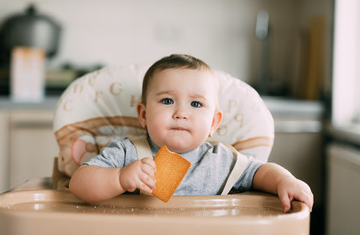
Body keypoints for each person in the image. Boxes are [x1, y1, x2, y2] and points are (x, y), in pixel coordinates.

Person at [69, 54, 313, 212]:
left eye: (196, 104)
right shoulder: (127, 153)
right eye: (167, 101)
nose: (181, 113)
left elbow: (260, 171)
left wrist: (285, 181)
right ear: (143, 115)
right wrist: (120, 178)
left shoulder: (222, 160)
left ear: (213, 123)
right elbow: (79, 183)